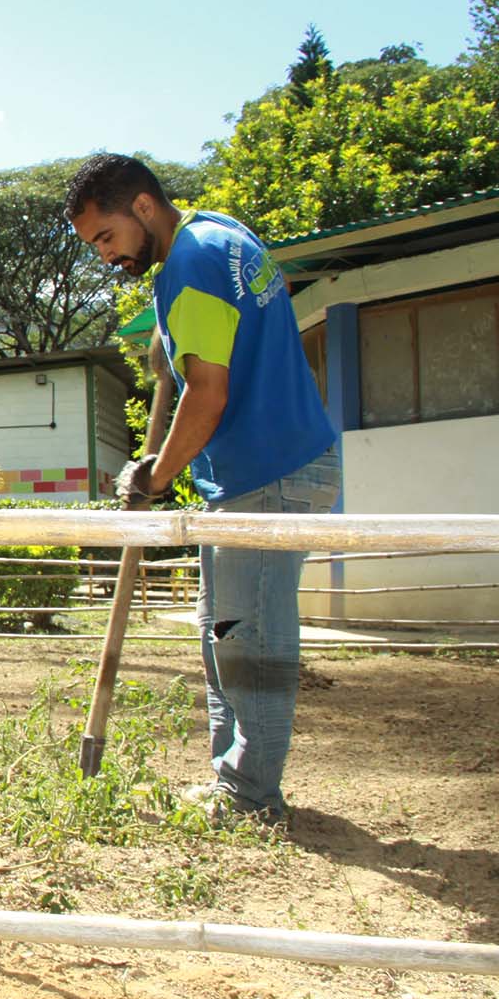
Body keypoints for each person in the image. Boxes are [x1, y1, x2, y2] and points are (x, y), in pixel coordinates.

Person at [65, 153, 340, 824]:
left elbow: (209, 396)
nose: (106, 257)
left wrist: (154, 475)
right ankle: (233, 780)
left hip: (269, 474)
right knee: (223, 631)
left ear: (143, 208)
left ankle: (251, 799)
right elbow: (220, 359)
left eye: (107, 238)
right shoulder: (219, 235)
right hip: (263, 472)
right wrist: (174, 345)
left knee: (253, 640)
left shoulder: (189, 266)